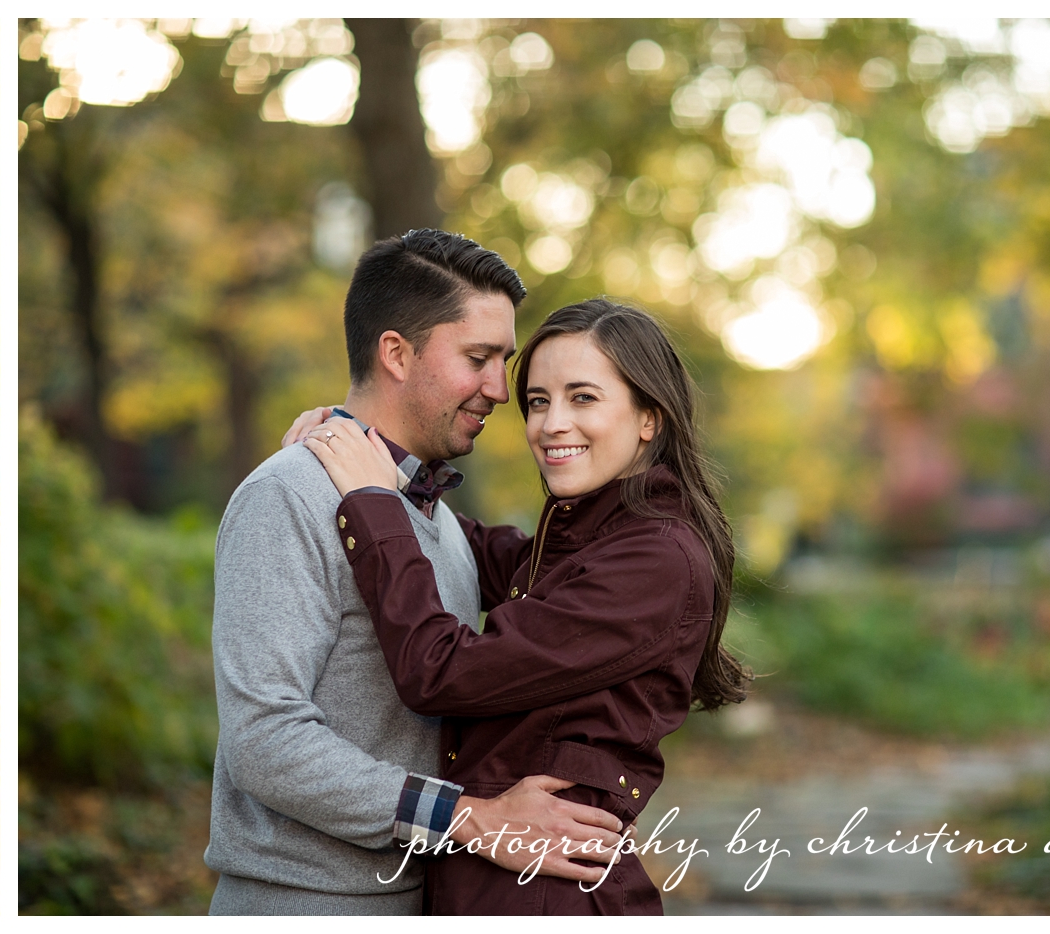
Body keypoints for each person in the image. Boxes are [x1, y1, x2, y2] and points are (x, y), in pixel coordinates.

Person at [206, 231, 629, 915]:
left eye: (504, 361)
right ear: (396, 353)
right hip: (306, 905)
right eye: (478, 359)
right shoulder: (287, 496)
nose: (500, 388)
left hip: (417, 898)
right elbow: (264, 741)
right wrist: (473, 817)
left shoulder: (425, 507)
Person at [298, 299, 749, 914]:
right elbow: (473, 552)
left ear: (650, 417)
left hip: (546, 896)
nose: (551, 424)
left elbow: (440, 671)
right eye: (538, 401)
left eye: (583, 398)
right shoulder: (593, 538)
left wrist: (371, 500)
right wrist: (366, 443)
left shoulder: (654, 562)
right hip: (501, 887)